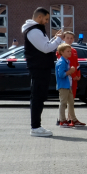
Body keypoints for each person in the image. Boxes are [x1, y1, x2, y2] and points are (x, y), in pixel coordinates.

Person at [21, 8, 63, 137]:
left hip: (40, 67)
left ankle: (37, 126)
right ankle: (35, 127)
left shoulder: (35, 30)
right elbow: (45, 48)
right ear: (39, 17)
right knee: (38, 97)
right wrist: (58, 39)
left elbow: (44, 45)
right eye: (46, 19)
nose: (46, 22)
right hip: (39, 68)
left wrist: (54, 39)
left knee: (39, 96)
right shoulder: (34, 31)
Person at [59, 30, 86, 126]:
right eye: (67, 38)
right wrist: (73, 75)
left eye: (71, 38)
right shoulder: (61, 50)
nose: (69, 40)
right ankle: (62, 119)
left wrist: (78, 74)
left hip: (73, 79)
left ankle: (71, 119)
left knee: (71, 99)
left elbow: (77, 64)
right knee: (63, 101)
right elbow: (64, 67)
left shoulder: (74, 50)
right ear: (63, 39)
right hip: (67, 78)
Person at [54, 44, 77, 127]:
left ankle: (73, 119)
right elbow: (61, 74)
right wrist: (70, 71)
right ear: (61, 52)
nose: (70, 53)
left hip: (68, 85)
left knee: (71, 102)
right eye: (68, 51)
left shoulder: (66, 61)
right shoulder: (61, 62)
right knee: (63, 103)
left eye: (70, 51)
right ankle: (62, 120)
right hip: (63, 85)